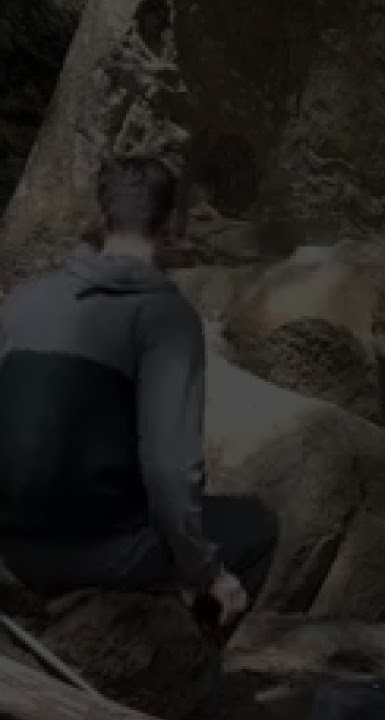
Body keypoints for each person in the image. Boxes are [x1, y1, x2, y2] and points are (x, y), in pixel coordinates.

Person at [0, 155, 278, 630]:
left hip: (11, 543)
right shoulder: (165, 317)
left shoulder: (24, 300)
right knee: (254, 527)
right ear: (171, 223)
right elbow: (170, 470)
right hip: (96, 550)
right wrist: (207, 570)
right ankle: (185, 676)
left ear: (102, 217)